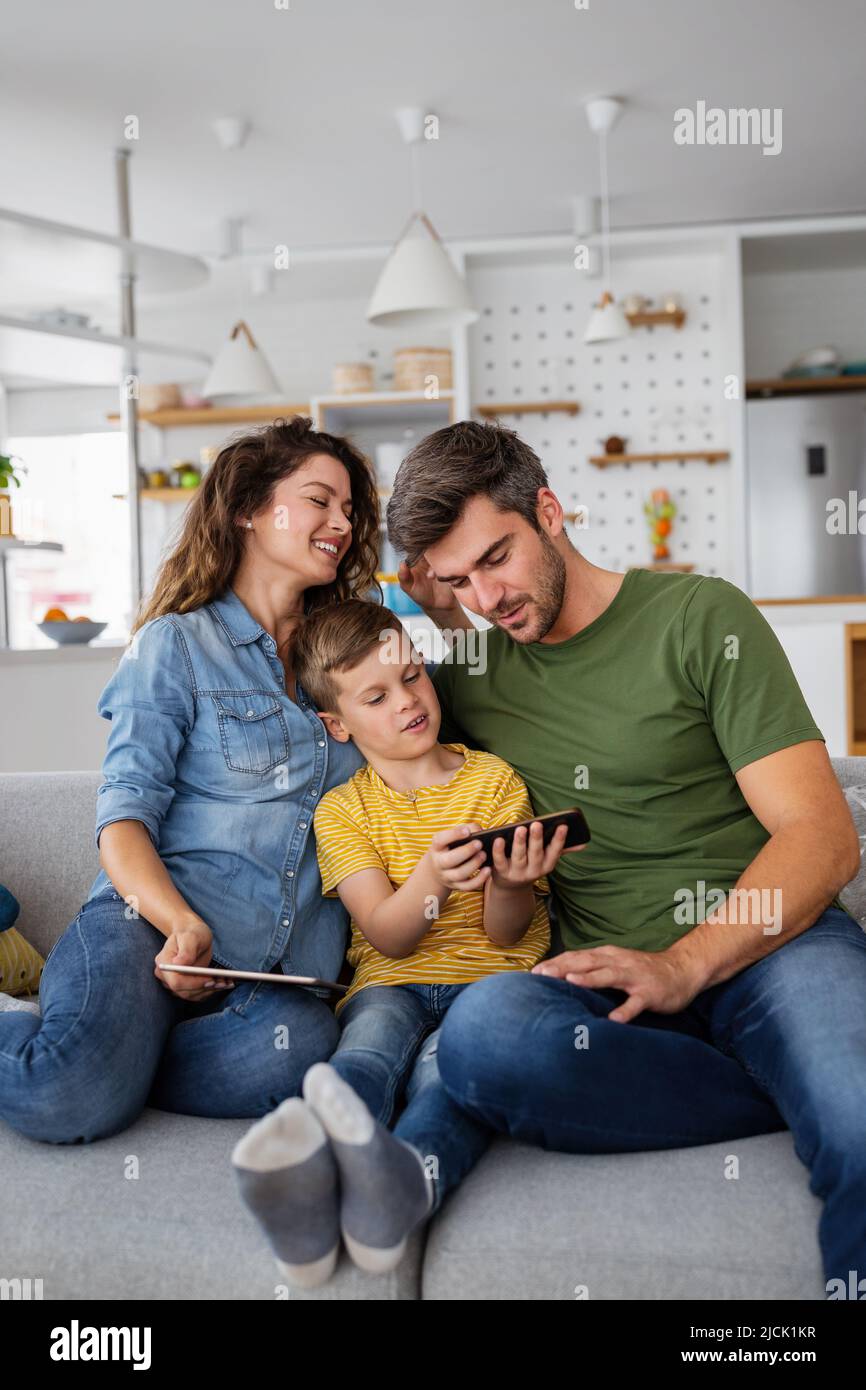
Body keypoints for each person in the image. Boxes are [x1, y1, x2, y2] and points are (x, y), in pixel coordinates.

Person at [385, 418, 865, 1290]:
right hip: (610, 984)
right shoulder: (470, 678)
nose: (488, 599)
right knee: (484, 1032)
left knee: (862, 1117)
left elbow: (824, 841)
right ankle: (777, 1088)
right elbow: (355, 714)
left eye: (497, 558)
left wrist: (686, 962)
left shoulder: (699, 615)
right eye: (457, 581)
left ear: (550, 511)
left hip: (775, 946)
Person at [0, 417, 381, 1143]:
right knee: (65, 1096)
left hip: (274, 986)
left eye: (350, 510)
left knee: (299, 1051)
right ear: (247, 509)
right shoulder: (176, 644)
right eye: (320, 500)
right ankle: (88, 1061)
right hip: (145, 933)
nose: (343, 521)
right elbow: (122, 820)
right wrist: (180, 926)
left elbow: (420, 730)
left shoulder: (354, 654)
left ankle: (116, 1061)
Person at [231, 597, 575, 1288]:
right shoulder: (343, 811)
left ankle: (392, 1190)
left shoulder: (493, 781)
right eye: (377, 696)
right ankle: (311, 1162)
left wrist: (509, 881)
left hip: (492, 986)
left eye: (412, 676)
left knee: (445, 1082)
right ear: (337, 723)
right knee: (367, 1053)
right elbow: (387, 935)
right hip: (390, 983)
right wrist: (433, 878)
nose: (408, 702)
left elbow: (507, 933)